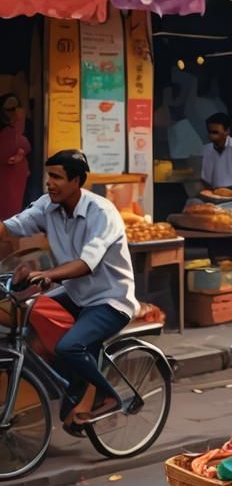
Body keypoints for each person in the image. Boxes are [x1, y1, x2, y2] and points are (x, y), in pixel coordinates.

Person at [0, 149, 138, 428]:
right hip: (75, 293)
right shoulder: (47, 206)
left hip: (110, 299)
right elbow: (11, 228)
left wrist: (47, 274)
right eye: (47, 176)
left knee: (69, 346)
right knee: (30, 318)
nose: (49, 183)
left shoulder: (102, 212)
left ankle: (105, 395)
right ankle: (75, 383)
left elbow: (87, 263)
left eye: (56, 177)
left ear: (77, 181)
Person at [0, 93, 30, 220]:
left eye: (16, 109)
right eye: (10, 109)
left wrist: (21, 153)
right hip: (5, 173)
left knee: (13, 206)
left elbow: (26, 144)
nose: (14, 113)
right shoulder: (5, 129)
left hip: (16, 175)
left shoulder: (24, 125)